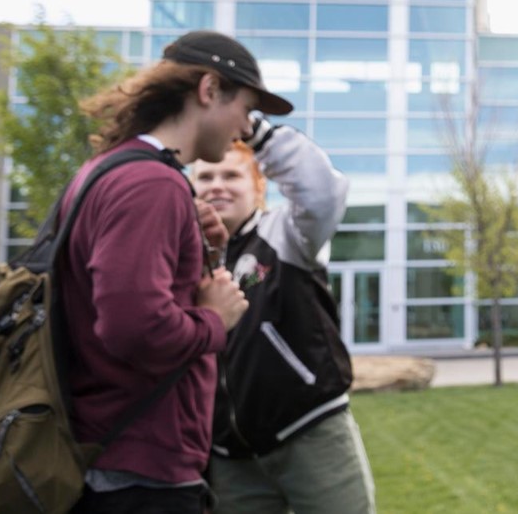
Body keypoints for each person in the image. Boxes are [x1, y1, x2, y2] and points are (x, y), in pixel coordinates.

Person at [61, 30, 289, 513]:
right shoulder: (151, 184)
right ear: (209, 90)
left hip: (111, 456)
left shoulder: (106, 171)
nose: (246, 127)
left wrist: (204, 249)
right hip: (140, 472)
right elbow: (133, 329)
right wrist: (214, 318)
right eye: (245, 108)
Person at [191, 114, 374, 513]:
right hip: (229, 455)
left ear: (258, 186)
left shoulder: (286, 235)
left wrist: (257, 132)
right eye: (205, 178)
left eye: (231, 176)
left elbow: (323, 194)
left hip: (310, 433)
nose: (217, 185)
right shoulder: (186, 259)